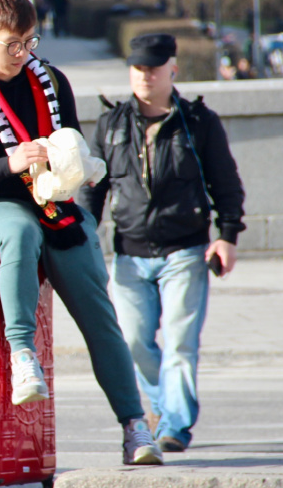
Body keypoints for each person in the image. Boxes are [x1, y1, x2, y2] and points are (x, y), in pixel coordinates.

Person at [0, 0, 163, 466]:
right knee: (19, 230)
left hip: (51, 201)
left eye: (29, 42)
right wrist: (9, 163)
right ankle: (22, 355)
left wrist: (81, 166)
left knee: (100, 313)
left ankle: (135, 426)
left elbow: (70, 140)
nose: (22, 54)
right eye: (10, 44)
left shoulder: (50, 80)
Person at [80, 33, 245, 454]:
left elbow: (225, 183)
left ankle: (175, 425)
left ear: (173, 68)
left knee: (179, 344)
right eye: (138, 68)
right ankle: (159, 407)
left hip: (186, 251)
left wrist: (226, 236)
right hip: (130, 254)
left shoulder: (198, 122)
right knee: (134, 343)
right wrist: (81, 239)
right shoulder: (111, 124)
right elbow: (92, 192)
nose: (145, 75)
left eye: (154, 68)